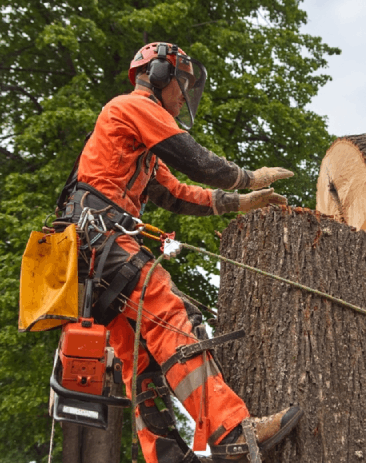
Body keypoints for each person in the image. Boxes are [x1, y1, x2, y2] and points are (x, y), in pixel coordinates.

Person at [55, 42, 302, 462]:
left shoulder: (142, 147)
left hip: (92, 253)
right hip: (102, 240)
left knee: (140, 355)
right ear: (157, 72)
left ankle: (166, 457)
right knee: (171, 314)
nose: (184, 93)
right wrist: (247, 176)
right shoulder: (130, 107)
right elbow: (196, 160)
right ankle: (231, 432)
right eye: (181, 82)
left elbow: (178, 194)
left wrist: (241, 202)